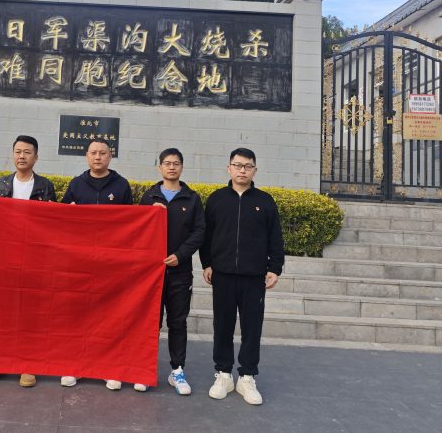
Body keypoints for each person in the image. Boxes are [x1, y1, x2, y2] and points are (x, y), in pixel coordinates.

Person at [200, 148, 284, 405]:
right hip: (223, 275)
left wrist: (275, 268)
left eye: (247, 166)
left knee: (252, 328)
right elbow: (207, 236)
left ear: (254, 170)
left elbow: (275, 238)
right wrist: (207, 264)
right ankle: (223, 374)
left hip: (253, 277)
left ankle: (247, 376)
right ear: (229, 168)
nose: (242, 170)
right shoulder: (216, 200)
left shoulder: (265, 201)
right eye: (237, 165)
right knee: (222, 326)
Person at [0, 135, 56, 388]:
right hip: (3, 256)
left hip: (34, 257)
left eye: (27, 152)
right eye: (18, 151)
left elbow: (52, 223)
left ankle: (27, 363)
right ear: (13, 155)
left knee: (29, 312)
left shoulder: (45, 186)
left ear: (36, 157)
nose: (22, 156)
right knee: (1, 310)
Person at [60, 137, 133, 390]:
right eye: (93, 153)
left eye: (103, 153)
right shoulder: (76, 184)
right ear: (87, 156)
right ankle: (75, 366)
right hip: (80, 263)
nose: (98, 157)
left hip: (110, 263)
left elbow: (131, 222)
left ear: (110, 156)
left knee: (108, 316)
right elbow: (62, 219)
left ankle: (107, 367)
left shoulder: (121, 185)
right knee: (79, 315)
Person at [139, 148, 204, 395]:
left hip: (180, 272)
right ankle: (145, 371)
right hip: (152, 273)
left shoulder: (191, 198)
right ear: (160, 167)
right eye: (167, 163)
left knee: (177, 322)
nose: (172, 167)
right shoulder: (149, 196)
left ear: (182, 167)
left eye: (176, 163)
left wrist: (181, 255)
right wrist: (149, 212)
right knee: (150, 323)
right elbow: (138, 230)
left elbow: (199, 231)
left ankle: (177, 370)